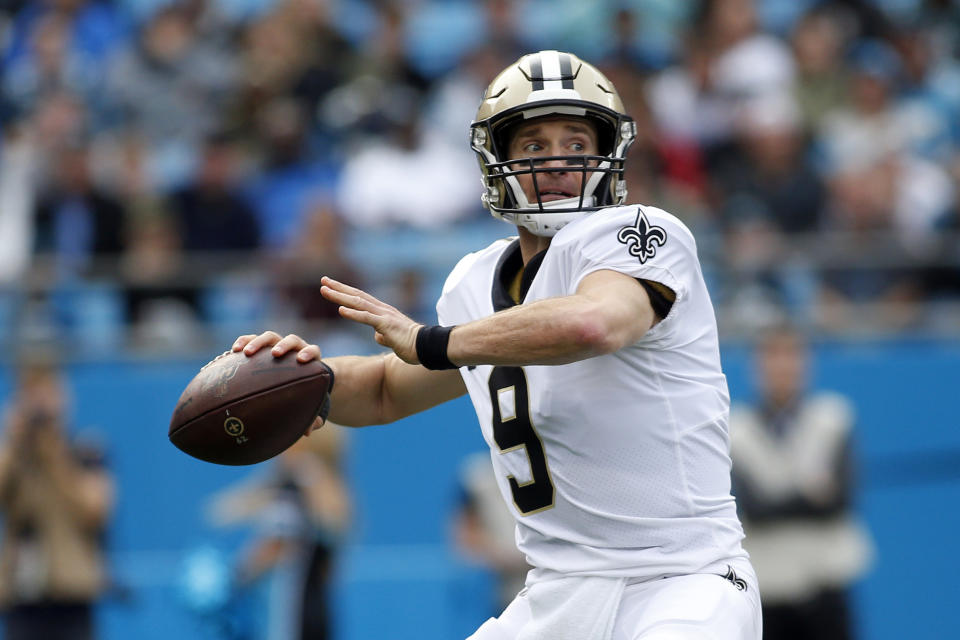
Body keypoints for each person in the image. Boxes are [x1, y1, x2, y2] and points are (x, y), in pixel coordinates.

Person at [233, 51, 761, 639]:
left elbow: (594, 324)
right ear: (497, 161)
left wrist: (434, 341)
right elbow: (384, 390)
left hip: (684, 579)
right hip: (558, 592)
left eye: (576, 141)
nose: (559, 160)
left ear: (607, 153)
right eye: (534, 146)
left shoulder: (644, 233)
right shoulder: (473, 284)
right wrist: (301, 382)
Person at [729, 325, 872, 640]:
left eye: (792, 354)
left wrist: (776, 501)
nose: (783, 365)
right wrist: (810, 494)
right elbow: (752, 509)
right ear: (757, 364)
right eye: (772, 355)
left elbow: (839, 502)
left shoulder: (834, 417)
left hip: (826, 584)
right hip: (768, 587)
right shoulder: (735, 428)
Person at [0, 355, 115, 640]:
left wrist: (54, 452)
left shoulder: (86, 452)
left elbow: (95, 511)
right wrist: (14, 441)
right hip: (22, 594)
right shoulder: (16, 457)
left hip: (72, 593)